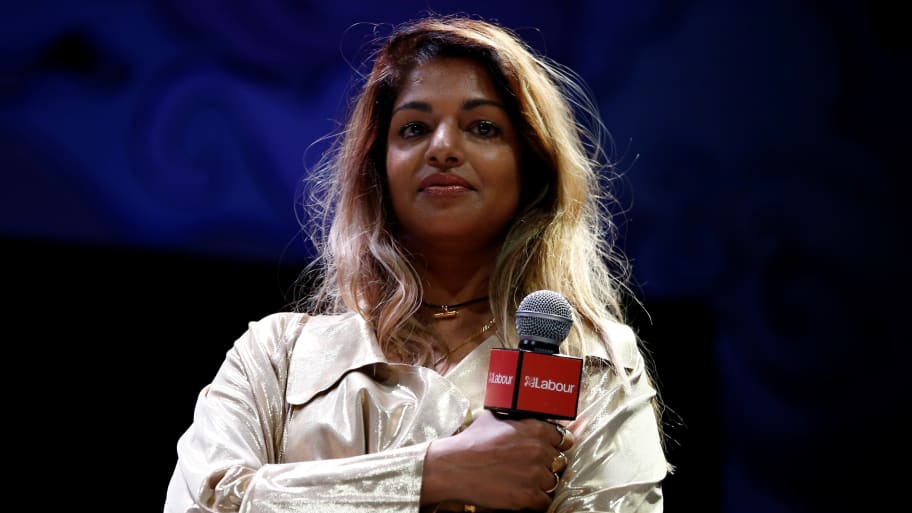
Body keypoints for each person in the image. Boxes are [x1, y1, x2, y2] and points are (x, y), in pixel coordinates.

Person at [164, 14, 669, 513]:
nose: (444, 147)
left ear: (532, 167)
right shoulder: (276, 358)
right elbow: (202, 505)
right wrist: (434, 473)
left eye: (483, 127)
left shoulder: (593, 365)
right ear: (379, 169)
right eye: (414, 128)